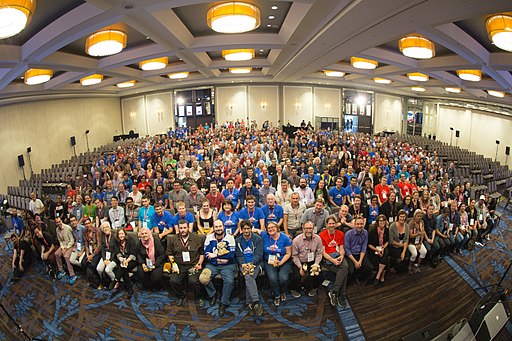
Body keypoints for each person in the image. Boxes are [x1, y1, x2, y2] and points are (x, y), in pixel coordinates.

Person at [200, 219, 237, 317]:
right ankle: (213, 294)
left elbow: (231, 255)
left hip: (228, 266)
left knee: (229, 281)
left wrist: (215, 256)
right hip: (212, 265)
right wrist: (220, 258)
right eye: (216, 227)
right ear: (214, 228)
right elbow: (207, 254)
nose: (218, 228)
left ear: (223, 227)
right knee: (203, 278)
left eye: (220, 226)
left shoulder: (230, 238)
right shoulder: (209, 238)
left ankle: (223, 303)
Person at [167, 220, 205, 307]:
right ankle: (181, 296)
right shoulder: (173, 239)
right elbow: (170, 253)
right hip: (179, 265)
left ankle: (200, 297)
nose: (183, 230)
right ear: (178, 229)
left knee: (193, 281)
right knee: (173, 280)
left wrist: (199, 263)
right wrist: (173, 264)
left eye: (184, 228)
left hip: (193, 265)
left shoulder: (196, 238)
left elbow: (202, 253)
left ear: (188, 228)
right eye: (181, 228)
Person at [235, 220, 264, 317]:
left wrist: (251, 263)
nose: (246, 230)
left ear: (251, 229)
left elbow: (259, 255)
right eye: (244, 229)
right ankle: (255, 302)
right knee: (248, 277)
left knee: (248, 277)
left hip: (256, 264)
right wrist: (243, 264)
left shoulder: (258, 239)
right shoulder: (238, 241)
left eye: (248, 228)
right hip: (243, 264)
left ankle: (251, 303)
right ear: (241, 230)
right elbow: (239, 255)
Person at [260, 221, 292, 307]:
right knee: (273, 278)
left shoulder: (285, 238)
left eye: (272, 227)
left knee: (283, 278)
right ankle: (277, 295)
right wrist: (252, 229)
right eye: (269, 228)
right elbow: (257, 231)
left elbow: (288, 253)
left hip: (283, 260)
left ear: (277, 228)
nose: (270, 229)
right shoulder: (265, 235)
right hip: (269, 261)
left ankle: (283, 292)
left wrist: (280, 262)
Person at [319, 215, 348, 307]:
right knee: (344, 271)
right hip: (328, 258)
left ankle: (335, 292)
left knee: (345, 267)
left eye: (333, 223)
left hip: (338, 255)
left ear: (336, 224)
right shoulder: (322, 235)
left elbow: (341, 248)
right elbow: (323, 252)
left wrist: (342, 256)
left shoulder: (340, 234)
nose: (331, 225)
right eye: (329, 223)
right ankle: (341, 294)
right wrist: (333, 260)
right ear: (326, 224)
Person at [291, 221, 323, 298]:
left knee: (318, 275)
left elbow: (319, 253)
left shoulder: (318, 239)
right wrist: (300, 267)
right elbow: (294, 256)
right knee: (297, 276)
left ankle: (314, 288)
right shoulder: (296, 240)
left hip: (312, 261)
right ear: (303, 228)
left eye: (310, 228)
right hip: (300, 261)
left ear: (313, 229)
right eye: (306, 228)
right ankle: (294, 289)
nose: (308, 230)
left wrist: (316, 264)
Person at [344, 216, 373, 283]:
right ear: (354, 224)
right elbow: (347, 250)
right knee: (351, 270)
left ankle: (360, 277)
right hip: (351, 255)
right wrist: (355, 262)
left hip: (360, 253)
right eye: (357, 224)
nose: (359, 226)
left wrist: (360, 261)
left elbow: (364, 247)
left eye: (361, 224)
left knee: (369, 267)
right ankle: (353, 279)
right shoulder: (348, 234)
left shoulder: (365, 233)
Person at [110, 228, 137, 298]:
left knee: (123, 268)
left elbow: (133, 253)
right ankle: (130, 289)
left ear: (125, 234)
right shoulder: (117, 241)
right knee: (124, 270)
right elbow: (117, 252)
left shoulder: (131, 240)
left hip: (132, 259)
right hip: (123, 260)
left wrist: (127, 261)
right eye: (119, 234)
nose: (121, 235)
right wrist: (121, 259)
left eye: (122, 234)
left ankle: (115, 280)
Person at [54, 217, 78, 284]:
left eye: (59, 221)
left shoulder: (68, 228)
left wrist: (66, 248)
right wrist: (62, 248)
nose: (59, 223)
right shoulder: (57, 230)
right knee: (56, 254)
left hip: (70, 245)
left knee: (66, 256)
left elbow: (72, 240)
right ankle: (61, 270)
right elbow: (60, 241)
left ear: (61, 221)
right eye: (57, 222)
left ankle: (72, 275)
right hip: (63, 245)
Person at [367, 214, 389, 283]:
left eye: (384, 221)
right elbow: (369, 244)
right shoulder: (373, 231)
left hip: (382, 247)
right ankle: (382, 275)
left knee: (386, 253)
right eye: (381, 221)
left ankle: (378, 275)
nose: (382, 222)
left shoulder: (387, 230)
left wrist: (382, 248)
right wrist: (377, 250)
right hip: (374, 249)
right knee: (385, 258)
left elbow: (387, 241)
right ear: (378, 222)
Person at [96, 222, 116, 289]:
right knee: (99, 269)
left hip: (113, 257)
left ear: (110, 227)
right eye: (104, 228)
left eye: (107, 227)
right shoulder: (103, 237)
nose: (105, 229)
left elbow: (116, 250)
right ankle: (103, 281)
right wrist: (104, 259)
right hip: (105, 256)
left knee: (107, 270)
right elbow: (103, 249)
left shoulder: (115, 236)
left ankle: (114, 281)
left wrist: (110, 260)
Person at [408, 209, 427, 274]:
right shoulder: (411, 223)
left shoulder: (422, 222)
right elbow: (410, 236)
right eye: (418, 216)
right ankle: (409, 266)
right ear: (415, 216)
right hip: (411, 242)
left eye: (420, 216)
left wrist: (420, 242)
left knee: (424, 252)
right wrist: (418, 234)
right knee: (414, 254)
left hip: (418, 241)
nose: (419, 218)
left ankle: (417, 265)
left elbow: (423, 233)